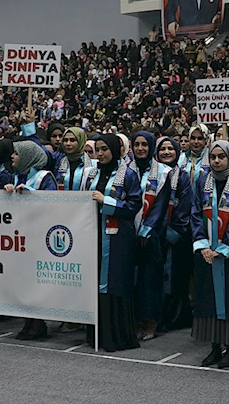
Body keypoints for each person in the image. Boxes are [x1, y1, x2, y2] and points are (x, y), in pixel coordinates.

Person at [191, 140, 229, 368]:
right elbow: (195, 214)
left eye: (221, 157)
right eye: (213, 157)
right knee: (208, 301)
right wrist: (203, 246)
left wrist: (224, 249)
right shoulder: (201, 183)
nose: (217, 161)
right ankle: (215, 347)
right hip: (206, 253)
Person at [82, 133, 141, 352]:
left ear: (115, 150)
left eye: (105, 149)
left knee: (116, 284)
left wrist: (104, 200)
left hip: (118, 240)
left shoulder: (128, 174)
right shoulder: (91, 173)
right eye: (97, 149)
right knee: (96, 283)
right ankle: (97, 334)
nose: (100, 153)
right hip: (94, 235)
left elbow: (134, 205)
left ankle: (118, 336)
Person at [5, 139, 58, 340]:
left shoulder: (44, 177)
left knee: (35, 282)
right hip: (19, 237)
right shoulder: (17, 176)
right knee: (22, 281)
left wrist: (31, 194)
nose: (13, 157)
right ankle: (28, 320)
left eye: (16, 153)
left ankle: (38, 322)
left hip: (38, 236)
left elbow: (53, 203)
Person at [130, 131, 171, 341]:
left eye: (144, 144)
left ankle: (151, 321)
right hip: (128, 233)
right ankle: (135, 320)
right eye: (136, 144)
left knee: (150, 280)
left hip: (152, 235)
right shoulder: (125, 169)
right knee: (133, 279)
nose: (140, 148)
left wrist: (146, 229)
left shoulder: (164, 172)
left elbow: (161, 205)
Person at [153, 136, 193, 332]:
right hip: (152, 234)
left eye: (171, 149)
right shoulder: (151, 174)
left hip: (174, 236)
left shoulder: (183, 176)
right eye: (162, 149)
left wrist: (170, 233)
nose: (166, 152)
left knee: (174, 279)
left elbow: (185, 208)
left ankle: (173, 317)